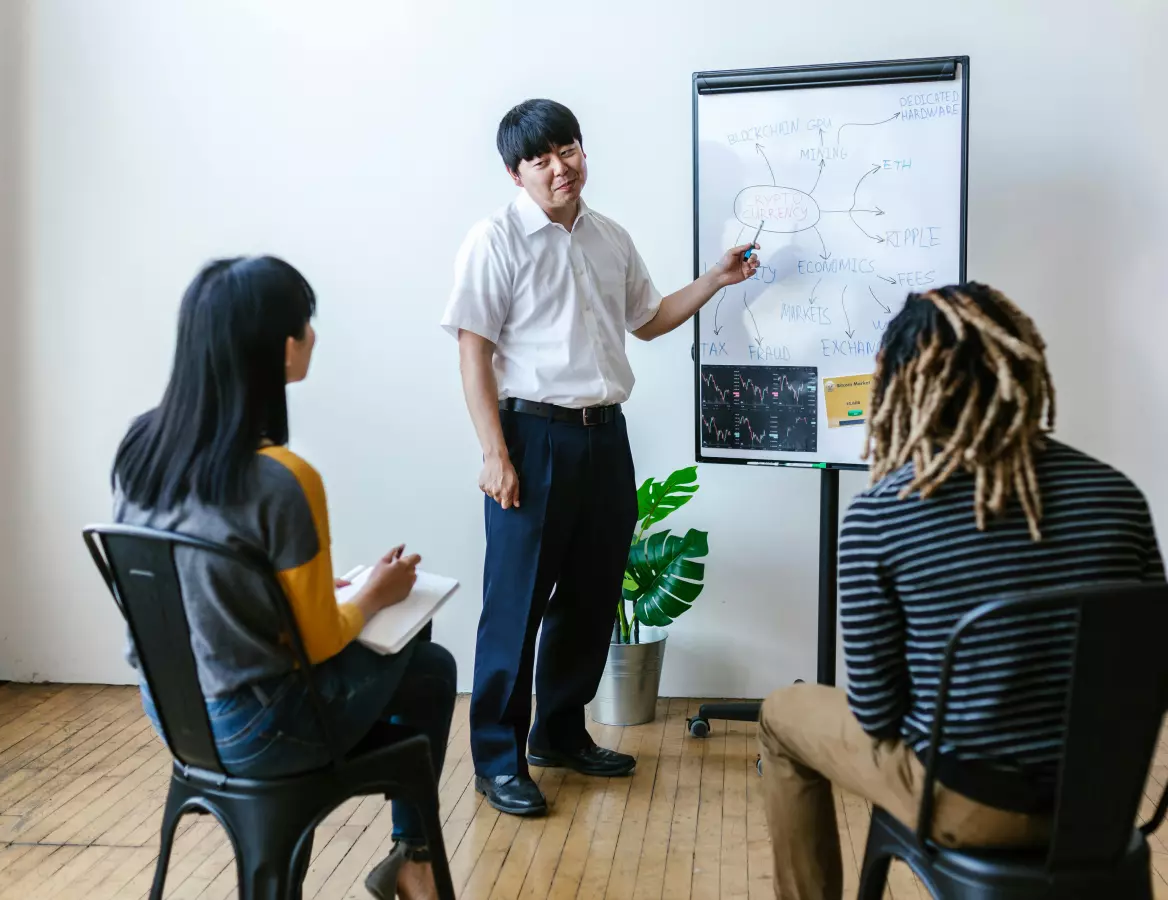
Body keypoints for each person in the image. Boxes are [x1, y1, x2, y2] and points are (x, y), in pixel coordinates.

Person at [756, 282, 1166, 900]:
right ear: (1022, 365)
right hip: (1103, 804)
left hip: (971, 805)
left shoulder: (882, 516)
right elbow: (1148, 661)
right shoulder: (1116, 494)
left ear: (901, 384)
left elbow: (875, 713)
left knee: (781, 715)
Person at [441, 98, 760, 816]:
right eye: (541, 159)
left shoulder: (609, 237)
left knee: (589, 599)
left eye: (570, 149)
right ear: (514, 172)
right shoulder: (493, 240)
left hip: (604, 436)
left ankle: (558, 733)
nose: (561, 168)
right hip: (531, 437)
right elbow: (474, 352)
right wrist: (494, 453)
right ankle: (497, 758)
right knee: (515, 608)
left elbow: (648, 321)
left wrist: (713, 280)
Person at [112, 256, 453, 900]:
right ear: (279, 346)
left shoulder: (141, 449)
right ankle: (414, 861)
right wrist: (376, 593)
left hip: (174, 711)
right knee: (429, 667)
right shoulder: (283, 479)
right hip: (258, 728)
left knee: (407, 651)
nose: (314, 335)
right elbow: (320, 643)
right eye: (307, 324)